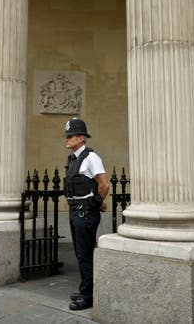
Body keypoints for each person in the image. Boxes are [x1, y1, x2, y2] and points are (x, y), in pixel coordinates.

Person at [63, 118, 110, 311]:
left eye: (70, 135)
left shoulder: (91, 158)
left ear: (81, 138)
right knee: (80, 253)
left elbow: (104, 184)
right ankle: (86, 288)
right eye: (66, 135)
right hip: (76, 211)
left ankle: (88, 296)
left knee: (85, 254)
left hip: (85, 213)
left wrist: (96, 203)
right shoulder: (72, 158)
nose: (66, 139)